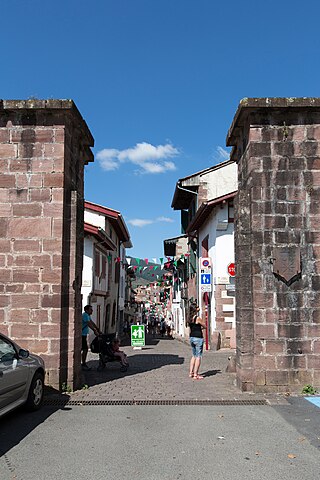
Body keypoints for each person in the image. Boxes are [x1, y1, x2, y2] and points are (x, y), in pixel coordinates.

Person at [188, 304, 206, 380]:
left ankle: (190, 373)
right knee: (198, 356)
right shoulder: (197, 318)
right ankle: (196, 374)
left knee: (194, 355)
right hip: (198, 338)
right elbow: (204, 326)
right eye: (197, 307)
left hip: (192, 337)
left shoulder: (189, 318)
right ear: (195, 309)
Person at [81, 305, 101, 371]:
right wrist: (95, 331)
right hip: (81, 335)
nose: (92, 311)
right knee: (85, 349)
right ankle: (83, 364)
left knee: (84, 349)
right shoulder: (85, 315)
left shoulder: (88, 316)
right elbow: (89, 324)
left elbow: (92, 322)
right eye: (90, 309)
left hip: (83, 335)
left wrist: (97, 329)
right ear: (86, 310)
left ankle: (82, 363)